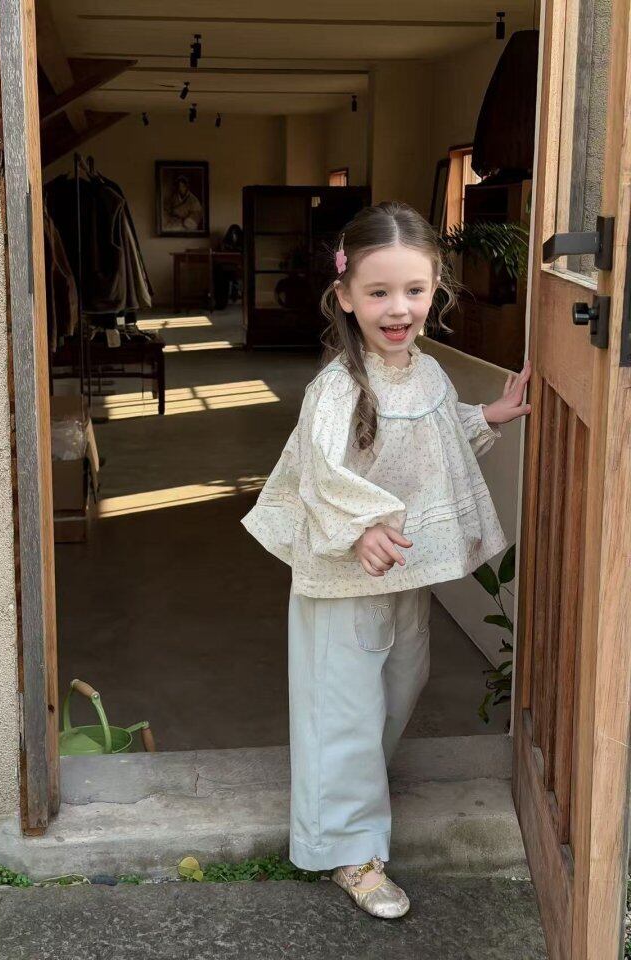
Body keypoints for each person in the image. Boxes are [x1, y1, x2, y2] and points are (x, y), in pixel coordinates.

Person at [240, 201, 531, 919]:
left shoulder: (427, 373)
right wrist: (359, 528)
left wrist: (487, 416)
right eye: (378, 292)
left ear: (436, 290)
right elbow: (320, 473)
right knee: (343, 707)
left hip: (406, 570)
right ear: (345, 296)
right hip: (343, 579)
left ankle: (353, 795)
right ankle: (349, 850)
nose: (398, 308)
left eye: (414, 290)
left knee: (402, 681)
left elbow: (435, 438)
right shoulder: (337, 386)